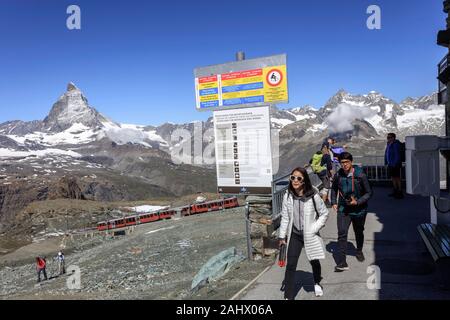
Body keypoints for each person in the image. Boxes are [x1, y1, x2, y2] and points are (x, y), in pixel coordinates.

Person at [278, 167, 329, 299]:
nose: (295, 180)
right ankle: (288, 296)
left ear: (304, 181)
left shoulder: (313, 196)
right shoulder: (288, 195)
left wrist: (314, 228)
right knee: (290, 265)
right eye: (293, 177)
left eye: (299, 178)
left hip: (309, 234)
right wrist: (282, 236)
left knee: (313, 260)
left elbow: (324, 214)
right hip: (295, 234)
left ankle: (317, 283)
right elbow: (285, 217)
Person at [331, 152, 373, 272]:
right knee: (342, 233)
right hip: (344, 209)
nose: (344, 165)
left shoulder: (361, 175)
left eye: (346, 162)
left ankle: (359, 250)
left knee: (358, 231)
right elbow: (334, 189)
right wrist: (334, 202)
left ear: (351, 162)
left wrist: (358, 202)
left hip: (359, 209)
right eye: (342, 163)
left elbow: (369, 193)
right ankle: (342, 262)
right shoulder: (338, 175)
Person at [385, 133, 403, 199]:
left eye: (389, 137)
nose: (388, 138)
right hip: (390, 164)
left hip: (395, 164)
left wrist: (395, 163)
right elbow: (387, 153)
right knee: (393, 177)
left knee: (397, 178)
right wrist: (386, 162)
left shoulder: (396, 145)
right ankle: (395, 191)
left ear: (393, 138)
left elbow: (397, 155)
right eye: (387, 137)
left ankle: (400, 192)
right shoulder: (389, 144)